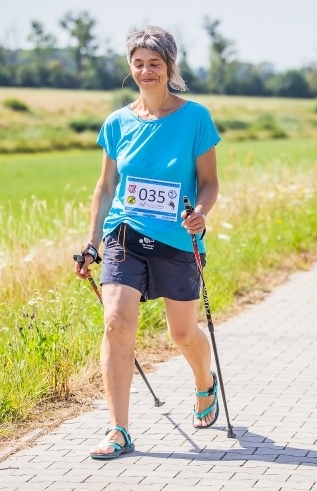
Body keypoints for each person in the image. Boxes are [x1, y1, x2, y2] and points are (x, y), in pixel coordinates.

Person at [74, 25, 221, 460]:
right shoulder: (117, 123)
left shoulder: (196, 118)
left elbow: (210, 182)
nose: (145, 70)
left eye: (154, 63)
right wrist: (91, 243)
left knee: (181, 332)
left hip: (178, 237)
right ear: (129, 68)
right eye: (138, 63)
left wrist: (201, 214)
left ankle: (203, 383)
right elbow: (105, 188)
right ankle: (119, 429)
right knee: (116, 322)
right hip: (124, 233)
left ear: (170, 67)